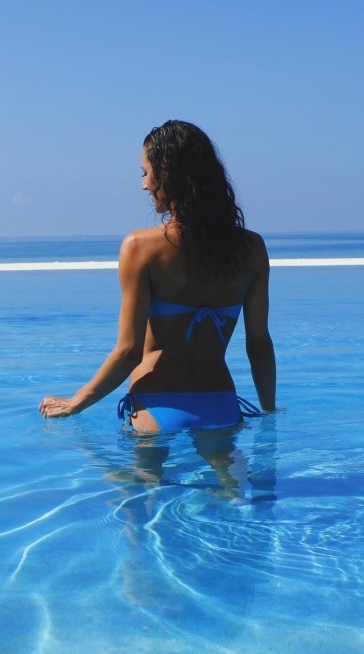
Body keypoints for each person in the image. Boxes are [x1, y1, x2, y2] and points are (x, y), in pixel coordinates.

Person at [40, 120, 276, 432]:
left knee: (140, 481)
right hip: (220, 402)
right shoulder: (252, 249)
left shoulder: (140, 247)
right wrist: (270, 411)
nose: (144, 184)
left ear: (167, 173)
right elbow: (259, 346)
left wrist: (75, 402)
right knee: (229, 482)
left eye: (145, 172)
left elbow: (128, 352)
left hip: (156, 403)